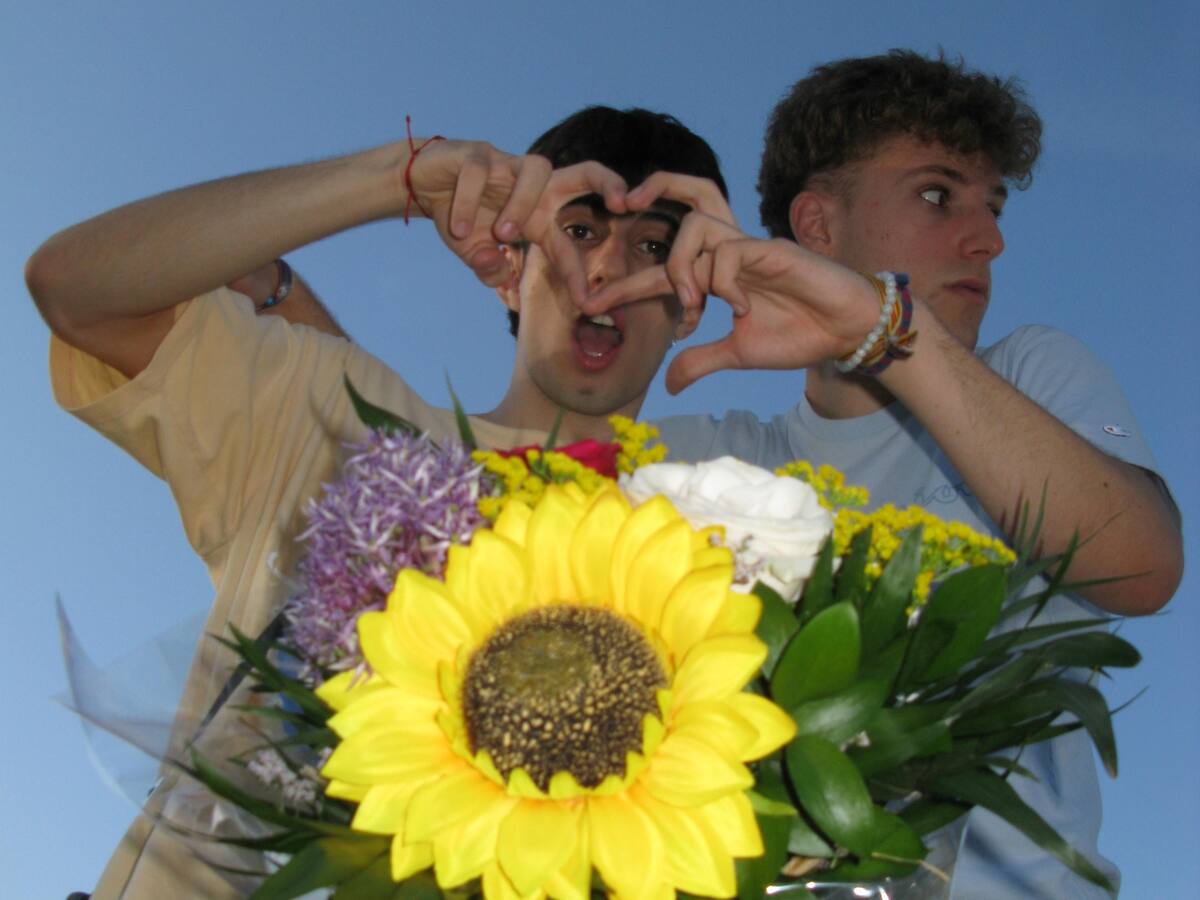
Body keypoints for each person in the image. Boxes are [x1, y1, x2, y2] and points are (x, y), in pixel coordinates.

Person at [26, 106, 729, 899]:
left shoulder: (731, 535)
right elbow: (75, 289)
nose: (605, 270)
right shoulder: (335, 415)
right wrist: (398, 177)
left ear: (690, 299)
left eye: (654, 248)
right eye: (577, 231)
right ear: (510, 269)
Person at [586, 50, 1182, 897]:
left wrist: (887, 331)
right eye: (938, 196)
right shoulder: (699, 461)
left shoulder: (1032, 375)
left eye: (992, 207)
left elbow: (1141, 564)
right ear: (819, 226)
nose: (989, 239)